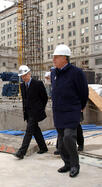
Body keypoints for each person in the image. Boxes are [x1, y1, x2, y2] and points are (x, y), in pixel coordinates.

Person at [51, 44, 88, 178]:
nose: (53, 59)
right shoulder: (54, 73)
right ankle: (67, 164)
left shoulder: (77, 72)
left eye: (56, 57)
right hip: (58, 113)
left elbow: (84, 92)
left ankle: (75, 165)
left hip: (72, 111)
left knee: (68, 137)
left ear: (65, 58)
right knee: (60, 145)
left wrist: (80, 107)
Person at [14, 65, 48, 159]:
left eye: (25, 75)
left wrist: (40, 109)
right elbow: (25, 100)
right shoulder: (22, 85)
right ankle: (43, 147)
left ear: (29, 73)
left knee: (28, 132)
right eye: (22, 76)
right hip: (28, 112)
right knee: (35, 130)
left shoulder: (38, 84)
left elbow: (44, 98)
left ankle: (21, 152)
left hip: (36, 112)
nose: (24, 77)